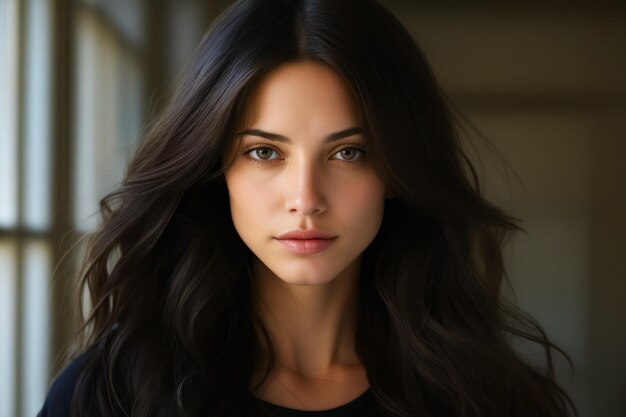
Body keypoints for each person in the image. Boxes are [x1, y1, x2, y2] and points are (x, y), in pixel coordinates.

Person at [38, 0, 577, 416]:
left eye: (348, 152)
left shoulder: (488, 398)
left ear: (397, 169)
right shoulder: (113, 394)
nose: (306, 199)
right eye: (264, 152)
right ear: (214, 169)